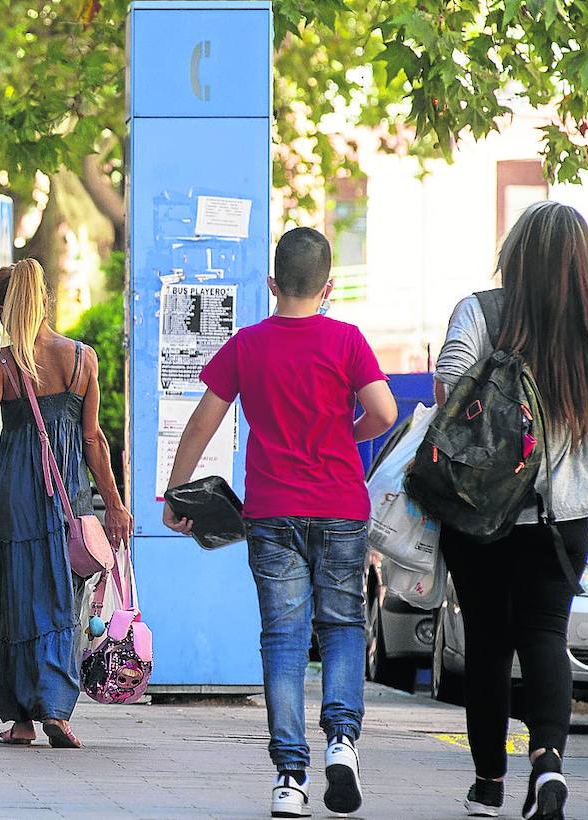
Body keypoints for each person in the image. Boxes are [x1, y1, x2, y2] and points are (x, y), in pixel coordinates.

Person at [163, 227, 397, 819]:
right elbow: (385, 412)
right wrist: (347, 433)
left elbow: (202, 424)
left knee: (284, 638)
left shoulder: (247, 345)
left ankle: (289, 778)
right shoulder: (346, 340)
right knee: (343, 625)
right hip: (341, 508)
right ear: (328, 288)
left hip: (271, 512)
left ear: (272, 284)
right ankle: (342, 742)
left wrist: (177, 494)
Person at [431, 202, 588, 820]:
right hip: (559, 516)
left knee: (490, 647)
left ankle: (488, 783)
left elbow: (449, 381)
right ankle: (548, 764)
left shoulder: (480, 309)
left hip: (481, 514)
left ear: (515, 253)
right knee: (545, 636)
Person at [0, 258, 132, 750]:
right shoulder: (81, 359)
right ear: (45, 300)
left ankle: (22, 719)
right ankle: (56, 708)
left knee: (18, 599)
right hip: (69, 495)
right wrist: (113, 506)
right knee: (61, 599)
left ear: (3, 310)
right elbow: (94, 440)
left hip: (18, 495)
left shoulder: (1, 363)